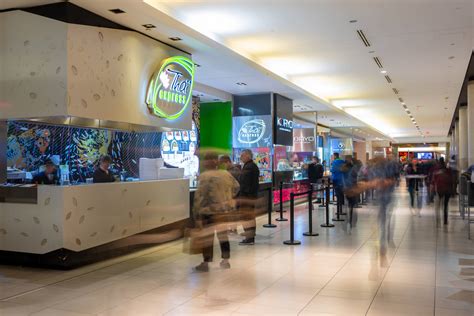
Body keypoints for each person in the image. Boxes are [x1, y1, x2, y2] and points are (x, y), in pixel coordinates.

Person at [193, 152, 240, 272]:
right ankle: (226, 260)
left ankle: (206, 263)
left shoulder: (205, 176)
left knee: (207, 238)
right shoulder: (226, 174)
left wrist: (196, 214)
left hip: (208, 212)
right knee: (223, 236)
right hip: (223, 211)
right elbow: (236, 187)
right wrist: (227, 198)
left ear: (208, 162)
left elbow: (200, 197)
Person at [238, 149, 260, 245]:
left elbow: (244, 183)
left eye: (242, 155)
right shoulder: (251, 166)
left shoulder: (249, 167)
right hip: (250, 196)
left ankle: (249, 238)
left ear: (248, 156)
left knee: (246, 218)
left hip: (247, 197)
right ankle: (250, 236)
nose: (240, 157)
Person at [433, 157, 454, 226]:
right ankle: (445, 220)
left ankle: (437, 220)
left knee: (438, 205)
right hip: (447, 189)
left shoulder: (436, 170)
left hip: (440, 189)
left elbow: (434, 181)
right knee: (445, 205)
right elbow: (452, 180)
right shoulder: (448, 170)